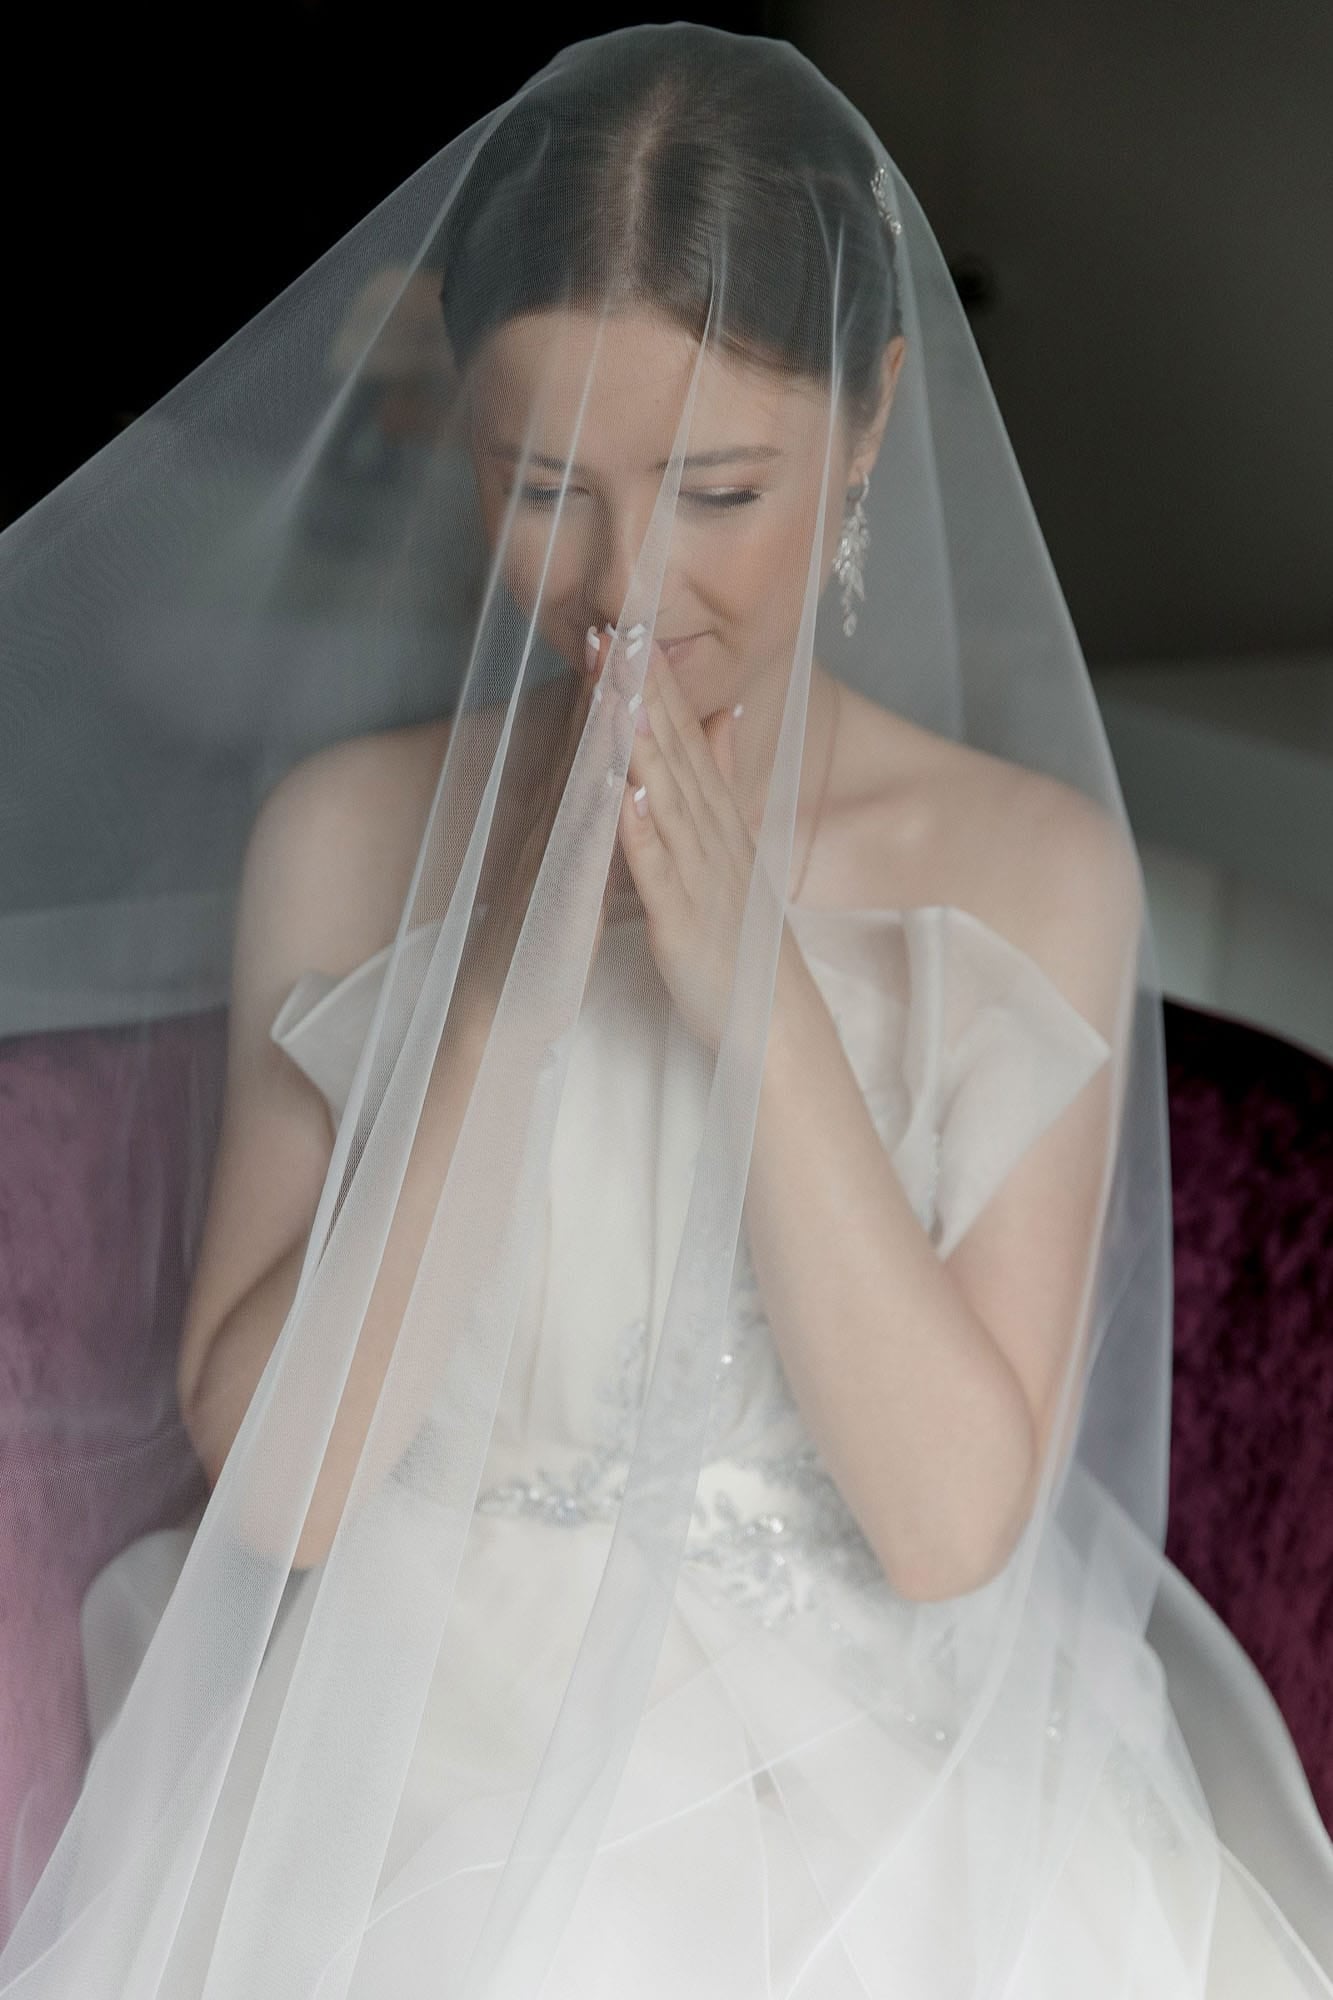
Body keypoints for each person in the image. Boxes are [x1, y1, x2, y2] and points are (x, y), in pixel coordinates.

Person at [1, 22, 1330, 1998]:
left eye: (717, 488)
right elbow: (278, 1489)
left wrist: (752, 995)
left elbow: (956, 1520)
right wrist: (502, 992)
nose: (628, 591)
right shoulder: (350, 831)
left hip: (878, 1744)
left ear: (870, 423)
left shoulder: (1028, 867)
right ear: (462, 433)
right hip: (410, 1722)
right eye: (547, 487)